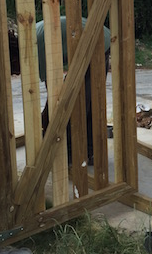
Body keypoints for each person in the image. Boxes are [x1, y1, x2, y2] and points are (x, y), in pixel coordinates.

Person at [36, 16, 111, 165]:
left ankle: (82, 152)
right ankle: (78, 150)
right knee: (75, 100)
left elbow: (54, 94)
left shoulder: (37, 48)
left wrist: (46, 120)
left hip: (98, 42)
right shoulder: (29, 37)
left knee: (81, 101)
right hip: (82, 46)